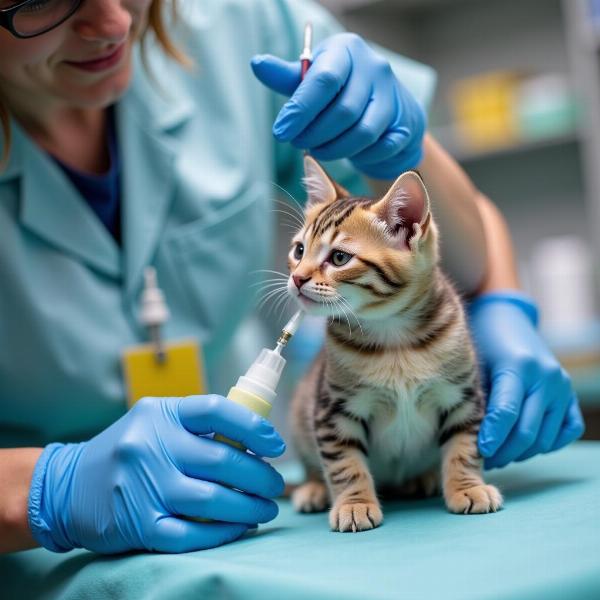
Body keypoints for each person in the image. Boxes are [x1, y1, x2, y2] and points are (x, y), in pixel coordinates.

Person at [0, 0, 583, 555]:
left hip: (237, 498)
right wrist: (42, 489)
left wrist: (502, 297)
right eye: (39, 3)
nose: (111, 21)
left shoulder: (239, 23)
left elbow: (458, 223)